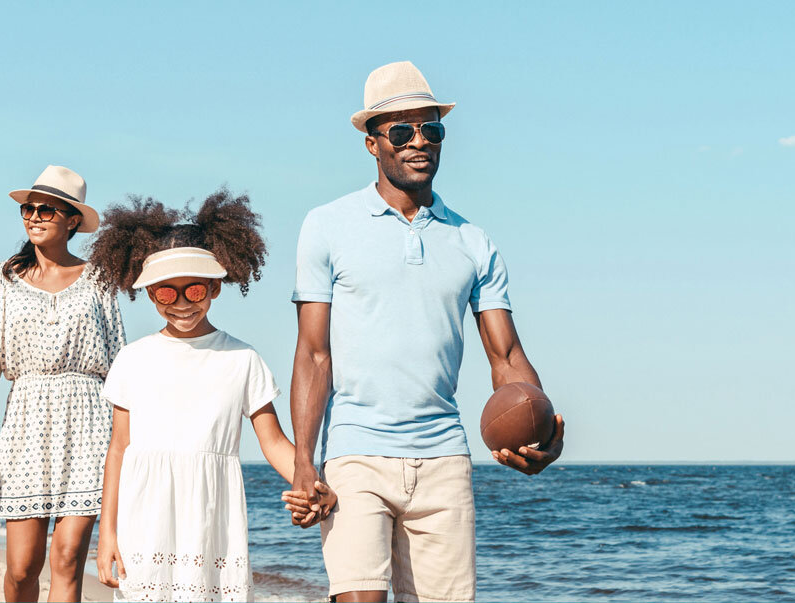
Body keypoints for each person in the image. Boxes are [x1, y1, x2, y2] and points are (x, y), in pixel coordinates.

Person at [285, 61, 568, 602]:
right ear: (372, 144)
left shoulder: (473, 241)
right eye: (400, 130)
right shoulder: (326, 225)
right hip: (355, 454)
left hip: (444, 460)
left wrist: (540, 428)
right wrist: (305, 463)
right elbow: (314, 354)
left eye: (431, 128)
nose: (419, 141)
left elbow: (506, 357)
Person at [87, 191, 333, 602]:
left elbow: (272, 442)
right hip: (145, 518)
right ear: (149, 293)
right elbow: (119, 449)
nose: (181, 303)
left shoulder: (242, 358)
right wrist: (106, 533)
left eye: (195, 291)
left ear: (215, 288)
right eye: (166, 292)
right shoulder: (133, 358)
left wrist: (312, 484)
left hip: (211, 518)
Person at [0, 165, 127, 602]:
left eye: (45, 210)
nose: (33, 216)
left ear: (72, 220)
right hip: (26, 419)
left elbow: (121, 367)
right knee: (21, 568)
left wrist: (129, 445)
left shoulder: (101, 279)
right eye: (28, 209)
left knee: (68, 559)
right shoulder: (4, 278)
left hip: (89, 421)